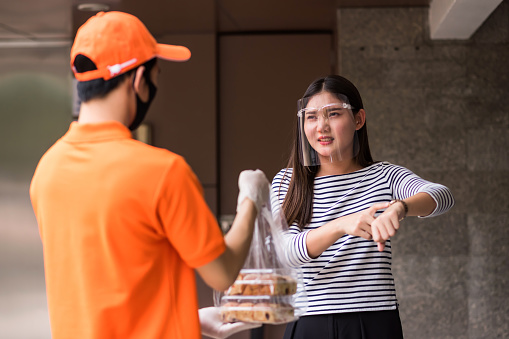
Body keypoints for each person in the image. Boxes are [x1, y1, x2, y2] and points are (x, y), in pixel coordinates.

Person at [29, 11, 269, 339]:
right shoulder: (163, 172)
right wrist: (250, 200)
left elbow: (104, 279)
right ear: (139, 80)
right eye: (156, 76)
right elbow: (223, 272)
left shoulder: (46, 172)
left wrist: (190, 319)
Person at [271, 74, 454, 339]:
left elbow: (442, 195)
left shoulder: (384, 176)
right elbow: (284, 253)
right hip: (308, 322)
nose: (321, 126)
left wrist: (399, 207)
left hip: (374, 321)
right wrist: (341, 225)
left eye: (333, 114)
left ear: (358, 119)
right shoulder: (288, 182)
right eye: (311, 117)